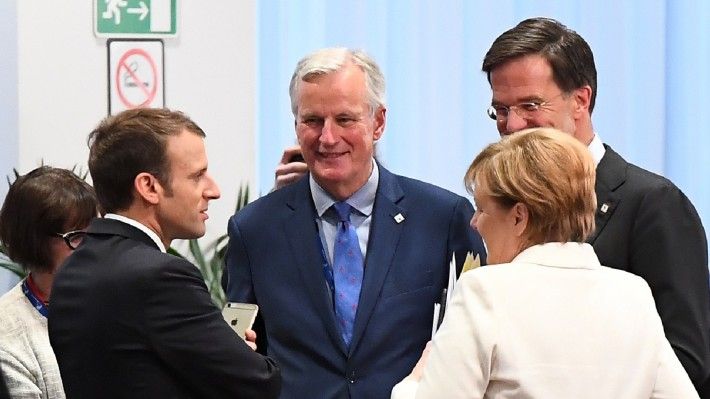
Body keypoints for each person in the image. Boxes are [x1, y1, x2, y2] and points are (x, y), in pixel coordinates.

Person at [223, 47, 486, 399]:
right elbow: (244, 352)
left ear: (378, 123)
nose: (328, 138)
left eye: (345, 119)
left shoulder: (443, 217)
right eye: (312, 120)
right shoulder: (254, 229)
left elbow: (471, 340)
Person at [480, 17, 710, 390]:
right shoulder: (502, 208)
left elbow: (688, 358)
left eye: (530, 105)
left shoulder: (653, 204)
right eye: (501, 110)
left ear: (580, 101)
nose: (513, 125)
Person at [392, 127, 698, 398]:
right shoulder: (633, 294)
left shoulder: (485, 293)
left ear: (519, 217)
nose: (474, 223)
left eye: (482, 209)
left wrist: (413, 382)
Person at [48, 108, 281, 398]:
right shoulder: (163, 277)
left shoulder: (71, 271)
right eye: (197, 176)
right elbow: (258, 382)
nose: (214, 190)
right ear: (149, 186)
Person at [0, 166, 98, 399]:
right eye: (77, 237)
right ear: (34, 241)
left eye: (97, 233)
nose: (94, 247)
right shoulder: (8, 336)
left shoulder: (118, 300)